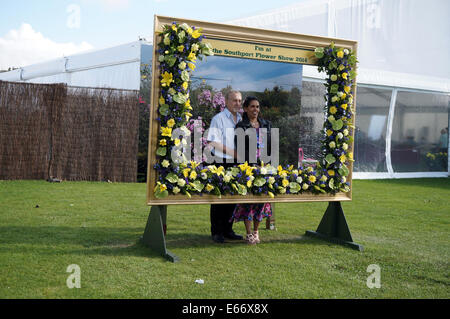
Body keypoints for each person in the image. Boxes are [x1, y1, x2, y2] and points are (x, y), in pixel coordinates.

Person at [231, 96, 272, 245]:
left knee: (261, 201)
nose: (255, 109)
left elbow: (270, 146)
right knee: (248, 202)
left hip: (264, 168)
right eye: (252, 106)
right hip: (248, 169)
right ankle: (248, 233)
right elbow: (240, 149)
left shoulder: (266, 125)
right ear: (246, 109)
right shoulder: (241, 126)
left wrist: (266, 164)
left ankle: (256, 231)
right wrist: (250, 166)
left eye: (257, 107)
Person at [206, 90, 244, 243]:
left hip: (237, 163)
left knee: (232, 199)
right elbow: (213, 142)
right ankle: (216, 232)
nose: (238, 103)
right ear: (226, 101)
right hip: (221, 162)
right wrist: (235, 154)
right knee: (219, 199)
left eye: (240, 101)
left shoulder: (241, 119)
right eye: (235, 100)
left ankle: (228, 230)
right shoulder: (218, 119)